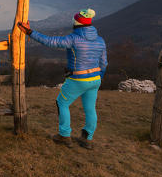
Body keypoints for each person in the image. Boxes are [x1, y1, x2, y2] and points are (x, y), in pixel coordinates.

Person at [18, 8, 107, 149]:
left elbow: (51, 41)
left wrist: (30, 32)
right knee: (90, 108)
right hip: (95, 79)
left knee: (62, 103)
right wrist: (98, 78)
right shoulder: (100, 40)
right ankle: (87, 138)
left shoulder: (73, 39)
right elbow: (104, 63)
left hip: (78, 79)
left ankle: (64, 136)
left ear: (77, 23)